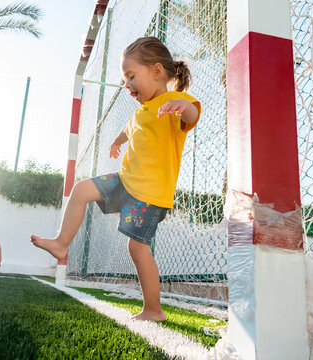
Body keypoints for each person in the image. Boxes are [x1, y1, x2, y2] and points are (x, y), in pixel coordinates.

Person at [31, 36, 201, 322]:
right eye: (125, 79)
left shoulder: (177, 101)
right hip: (125, 181)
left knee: (137, 247)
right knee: (81, 189)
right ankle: (62, 243)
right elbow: (130, 127)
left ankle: (153, 309)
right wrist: (117, 141)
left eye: (131, 76)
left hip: (149, 194)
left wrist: (180, 106)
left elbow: (192, 113)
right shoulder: (141, 110)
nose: (128, 85)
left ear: (157, 71)